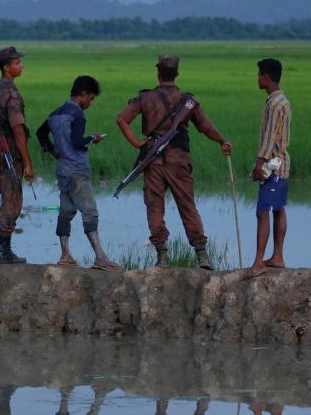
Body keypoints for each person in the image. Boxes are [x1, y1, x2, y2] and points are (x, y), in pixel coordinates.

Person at [116, 55, 233, 270]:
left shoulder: (146, 98)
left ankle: (162, 257)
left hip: (153, 163)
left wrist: (138, 143)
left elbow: (121, 119)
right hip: (179, 161)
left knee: (155, 208)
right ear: (177, 73)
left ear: (157, 73)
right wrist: (222, 141)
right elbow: (206, 127)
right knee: (188, 206)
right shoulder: (187, 101)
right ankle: (202, 256)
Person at [36, 75, 120, 272]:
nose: (90, 102)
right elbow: (77, 142)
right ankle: (100, 257)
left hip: (62, 170)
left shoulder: (56, 113)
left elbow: (41, 132)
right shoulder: (78, 115)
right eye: (91, 98)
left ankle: (65, 255)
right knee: (89, 212)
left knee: (66, 212)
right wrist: (93, 138)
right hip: (77, 171)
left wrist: (51, 150)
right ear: (83, 94)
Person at [0, 46, 35, 264]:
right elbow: (18, 129)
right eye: (17, 63)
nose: (21, 66)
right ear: (6, 68)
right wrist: (28, 162)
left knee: (7, 197)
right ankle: (4, 249)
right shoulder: (11, 93)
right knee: (13, 201)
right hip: (9, 150)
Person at [245, 58, 291, 279]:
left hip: (273, 165)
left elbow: (270, 137)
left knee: (262, 211)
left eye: (259, 75)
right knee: (279, 209)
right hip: (283, 165)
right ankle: (278, 257)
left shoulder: (274, 104)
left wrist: (259, 164)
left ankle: (258, 262)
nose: (257, 79)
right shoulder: (283, 100)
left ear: (266, 77)